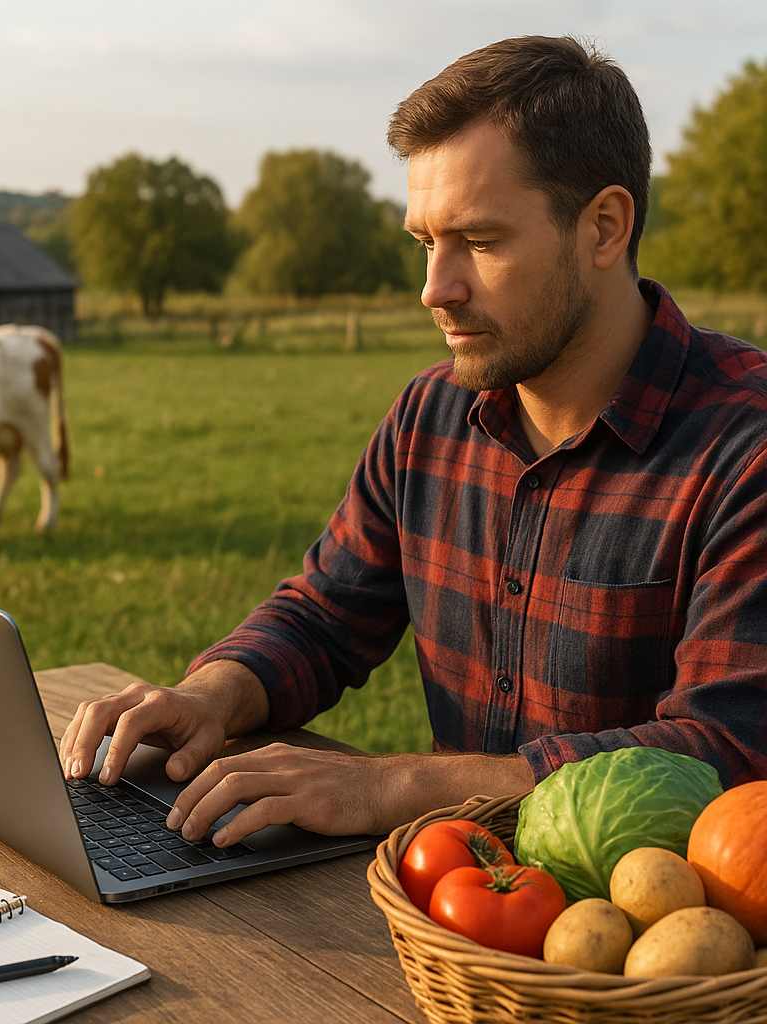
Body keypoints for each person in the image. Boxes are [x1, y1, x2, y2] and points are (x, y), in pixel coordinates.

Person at [60, 35, 767, 849]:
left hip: (639, 939)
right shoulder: (430, 417)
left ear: (604, 228)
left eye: (481, 240)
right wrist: (214, 694)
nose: (436, 288)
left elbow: (726, 755)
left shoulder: (743, 449)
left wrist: (393, 785)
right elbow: (326, 615)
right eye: (426, 242)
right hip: (449, 905)